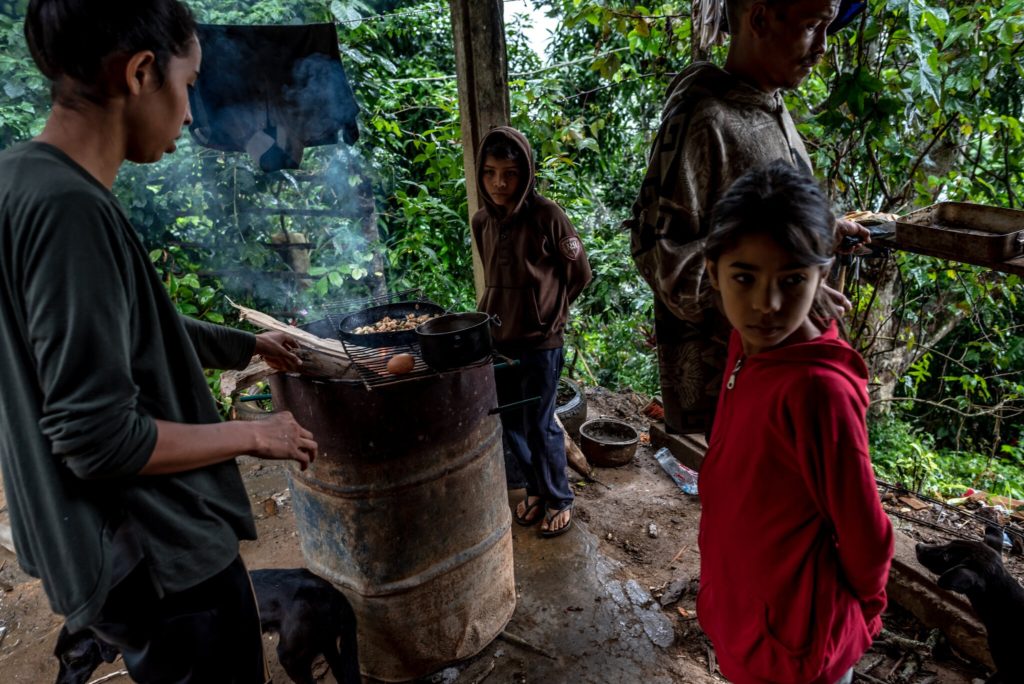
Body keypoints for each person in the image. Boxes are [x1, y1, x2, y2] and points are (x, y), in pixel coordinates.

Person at [0, 2, 318, 681]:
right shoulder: (71, 212)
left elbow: (123, 329)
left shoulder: (18, 179)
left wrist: (245, 346)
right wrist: (254, 435)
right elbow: (98, 438)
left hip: (93, 550)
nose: (192, 110)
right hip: (159, 563)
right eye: (191, 82)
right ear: (142, 72)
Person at [623, 0, 870, 436]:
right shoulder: (706, 119)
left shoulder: (768, 104)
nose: (823, 48)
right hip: (732, 390)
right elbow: (665, 263)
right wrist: (789, 290)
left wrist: (822, 232)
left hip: (777, 376)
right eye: (813, 26)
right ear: (758, 18)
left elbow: (763, 223)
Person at [696, 160, 894, 684]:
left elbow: (867, 536)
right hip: (752, 607)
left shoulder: (817, 392)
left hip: (795, 645)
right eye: (746, 277)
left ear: (821, 276)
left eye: (792, 281)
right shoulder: (753, 342)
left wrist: (862, 615)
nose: (767, 304)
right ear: (713, 270)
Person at [471, 126, 592, 538]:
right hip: (498, 340)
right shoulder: (482, 221)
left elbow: (579, 273)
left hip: (540, 343)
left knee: (540, 423)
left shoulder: (548, 216)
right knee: (511, 423)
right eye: (489, 173)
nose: (499, 183)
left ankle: (560, 498)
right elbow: (493, 275)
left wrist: (551, 314)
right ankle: (536, 490)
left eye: (510, 173)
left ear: (527, 173)